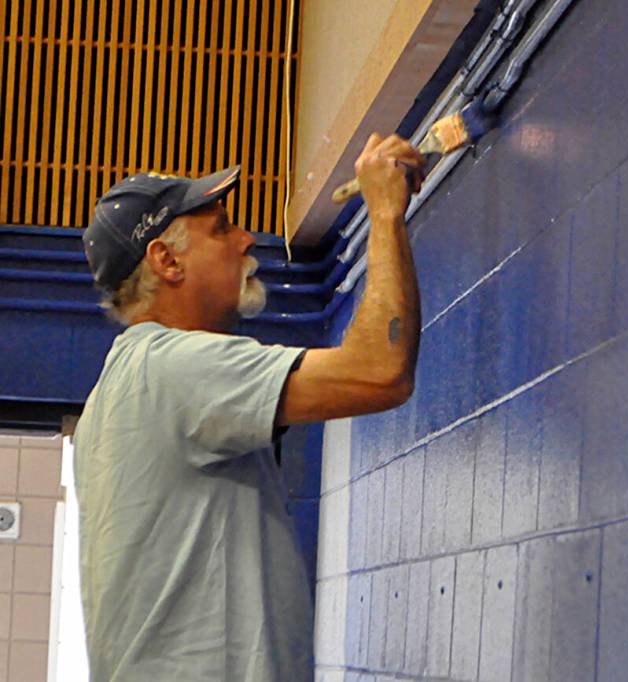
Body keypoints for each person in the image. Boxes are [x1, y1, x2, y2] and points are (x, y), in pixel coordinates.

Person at [73, 133, 426, 681]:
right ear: (166, 260)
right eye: (221, 228)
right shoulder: (173, 367)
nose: (246, 239)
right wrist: (384, 214)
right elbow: (380, 371)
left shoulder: (116, 392)